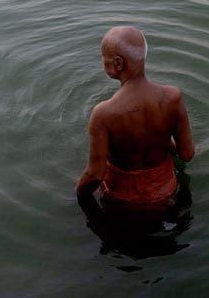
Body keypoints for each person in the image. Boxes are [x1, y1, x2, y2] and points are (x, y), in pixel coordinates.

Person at [75, 26, 195, 205]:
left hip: (121, 199)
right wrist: (164, 138)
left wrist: (75, 195)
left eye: (103, 56)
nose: (102, 60)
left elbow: (94, 175)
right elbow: (186, 154)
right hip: (166, 191)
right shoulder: (173, 97)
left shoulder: (103, 113)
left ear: (118, 63)